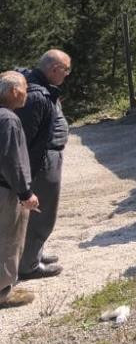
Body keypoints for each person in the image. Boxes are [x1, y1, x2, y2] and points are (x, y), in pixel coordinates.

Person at [17, 49, 71, 280]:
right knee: (42, 213)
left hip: (48, 156)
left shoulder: (39, 85)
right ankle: (29, 265)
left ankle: (34, 253)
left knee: (41, 212)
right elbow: (28, 136)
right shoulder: (36, 93)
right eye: (66, 71)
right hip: (43, 160)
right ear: (54, 69)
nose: (66, 76)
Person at [0, 72, 40, 309]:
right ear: (14, 91)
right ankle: (4, 291)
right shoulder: (9, 120)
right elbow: (11, 160)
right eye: (25, 87)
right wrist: (25, 193)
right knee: (8, 239)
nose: (27, 92)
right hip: (6, 192)